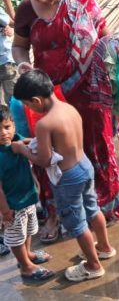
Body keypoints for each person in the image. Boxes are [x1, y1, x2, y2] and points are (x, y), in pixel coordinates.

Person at [13, 0, 119, 237]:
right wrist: (22, 65)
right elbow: (19, 46)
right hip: (46, 94)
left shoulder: (83, 2)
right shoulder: (26, 10)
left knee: (95, 144)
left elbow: (104, 36)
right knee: (47, 150)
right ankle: (55, 213)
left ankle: (104, 206)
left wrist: (116, 51)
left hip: (87, 89)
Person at [13, 70, 117, 282]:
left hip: (68, 177)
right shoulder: (69, 108)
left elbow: (44, 159)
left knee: (77, 223)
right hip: (84, 166)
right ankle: (104, 247)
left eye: (29, 105)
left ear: (36, 100)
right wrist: (31, 142)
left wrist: (21, 150)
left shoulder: (44, 123)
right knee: (92, 208)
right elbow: (62, 142)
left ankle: (93, 265)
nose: (30, 109)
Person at [0, 103, 54, 281]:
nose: (4, 133)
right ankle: (25, 266)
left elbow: (26, 142)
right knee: (16, 236)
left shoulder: (15, 139)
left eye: (6, 127)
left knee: (29, 229)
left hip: (27, 196)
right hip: (12, 205)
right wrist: (5, 210)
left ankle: (28, 254)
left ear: (13, 125)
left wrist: (28, 142)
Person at [0, 0, 17, 105]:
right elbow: (17, 22)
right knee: (14, 102)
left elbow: (12, 24)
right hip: (4, 62)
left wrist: (7, 27)